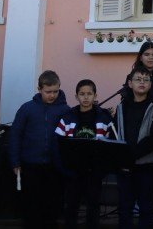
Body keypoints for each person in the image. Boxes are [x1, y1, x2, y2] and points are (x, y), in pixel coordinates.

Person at [9, 70, 69, 229]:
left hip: (54, 165)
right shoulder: (27, 109)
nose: (52, 95)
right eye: (48, 91)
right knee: (31, 204)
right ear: (39, 89)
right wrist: (15, 161)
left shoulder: (65, 110)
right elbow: (15, 135)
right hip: (30, 164)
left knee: (52, 204)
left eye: (55, 91)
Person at [55, 79, 113, 229]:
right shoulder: (68, 117)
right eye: (82, 94)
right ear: (76, 96)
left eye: (89, 94)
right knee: (72, 205)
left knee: (93, 205)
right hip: (73, 171)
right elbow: (58, 144)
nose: (86, 97)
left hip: (95, 171)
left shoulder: (104, 117)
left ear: (95, 95)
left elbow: (112, 145)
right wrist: (64, 168)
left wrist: (103, 169)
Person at [114, 66, 153, 229]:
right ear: (130, 83)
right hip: (124, 167)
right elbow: (116, 134)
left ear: (150, 84)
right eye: (138, 79)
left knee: (146, 209)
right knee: (124, 209)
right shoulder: (121, 108)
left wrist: (132, 154)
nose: (142, 82)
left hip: (147, 166)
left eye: (146, 79)